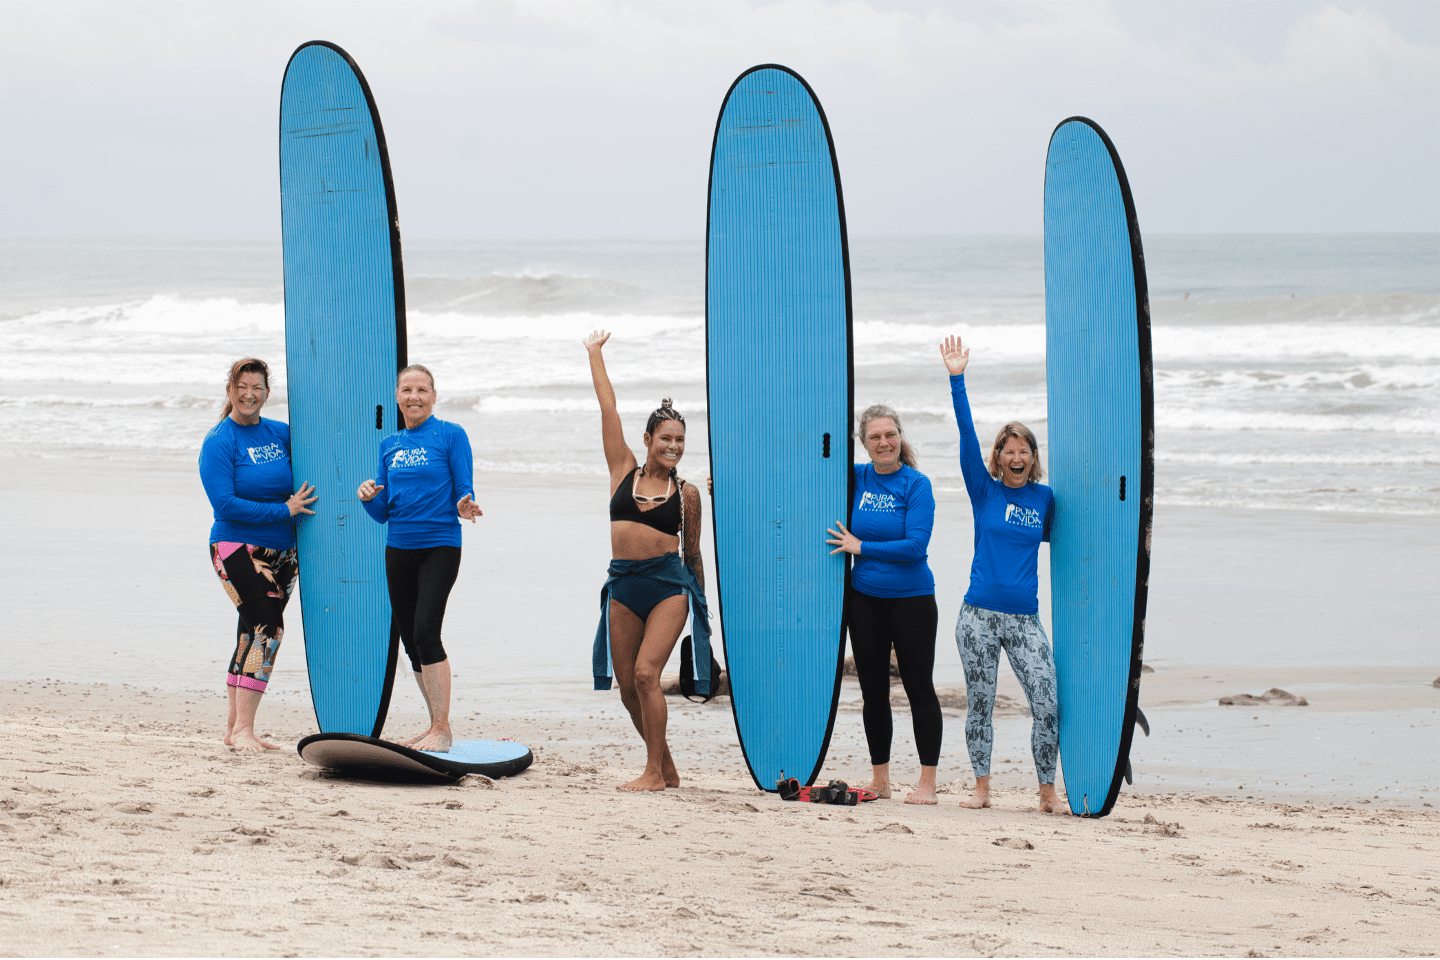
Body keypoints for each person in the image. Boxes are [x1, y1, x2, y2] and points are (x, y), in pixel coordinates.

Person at [941, 334, 1066, 814]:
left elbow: (1068, 544)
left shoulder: (1045, 499)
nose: (1017, 458)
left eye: (1025, 451)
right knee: (981, 704)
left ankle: (1047, 792)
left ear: (1034, 457)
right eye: (1009, 451)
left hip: (1024, 619)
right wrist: (958, 380)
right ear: (999, 457)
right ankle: (981, 788)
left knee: (1047, 704)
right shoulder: (984, 491)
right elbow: (967, 436)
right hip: (977, 617)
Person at [584, 329, 712, 793]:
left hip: (667, 587)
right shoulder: (622, 469)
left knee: (646, 674)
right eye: (666, 438)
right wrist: (595, 354)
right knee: (627, 687)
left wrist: (703, 612)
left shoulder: (687, 494)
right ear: (648, 438)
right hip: (623, 585)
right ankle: (666, 766)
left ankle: (653, 773)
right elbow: (608, 409)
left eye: (680, 440)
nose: (674, 446)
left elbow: (693, 552)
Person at [358, 364, 481, 753]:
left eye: (422, 390)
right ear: (397, 397)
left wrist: (465, 504)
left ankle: (442, 729)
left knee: (427, 630)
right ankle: (433, 725)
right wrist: (367, 498)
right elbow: (382, 513)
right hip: (399, 548)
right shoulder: (388, 446)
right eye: (407, 389)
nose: (414, 396)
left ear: (434, 396)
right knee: (411, 641)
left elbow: (464, 488)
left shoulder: (451, 436)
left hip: (440, 545)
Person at [199, 358, 316, 753]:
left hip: (283, 552)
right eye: (242, 387)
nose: (250, 395)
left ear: (267, 393)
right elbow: (225, 504)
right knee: (269, 628)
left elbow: (321, 445)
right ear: (230, 390)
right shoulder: (219, 441)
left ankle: (235, 730)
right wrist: (283, 510)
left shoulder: (279, 433)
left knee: (251, 630)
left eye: (258, 388)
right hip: (236, 547)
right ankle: (245, 729)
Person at [825, 405, 942, 804]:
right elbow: (804, 475)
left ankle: (927, 784)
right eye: (874, 437)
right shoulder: (855, 478)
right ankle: (881, 781)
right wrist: (726, 482)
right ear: (863, 443)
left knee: (919, 690)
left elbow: (915, 546)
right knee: (873, 693)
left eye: (889, 434)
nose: (883, 443)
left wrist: (861, 547)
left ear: (899, 437)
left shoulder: (916, 484)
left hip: (912, 600)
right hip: (865, 601)